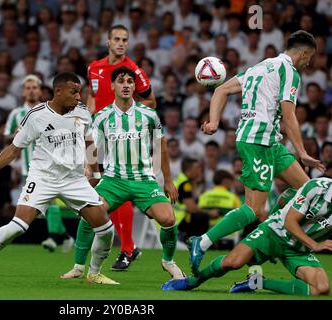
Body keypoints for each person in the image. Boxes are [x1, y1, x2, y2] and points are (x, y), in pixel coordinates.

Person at [189, 30, 326, 276]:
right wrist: (302, 151)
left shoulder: (260, 66)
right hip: (257, 142)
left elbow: (220, 91)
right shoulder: (290, 72)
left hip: (270, 142)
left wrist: (213, 122)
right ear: (304, 53)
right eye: (310, 58)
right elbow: (289, 114)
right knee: (254, 209)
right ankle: (203, 241)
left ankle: (273, 233)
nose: (309, 63)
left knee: (306, 190)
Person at [0, 72, 118, 285]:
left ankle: (94, 273)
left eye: (80, 93)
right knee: (18, 226)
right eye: (74, 93)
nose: (78, 98)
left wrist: (96, 173)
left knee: (106, 229)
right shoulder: (36, 116)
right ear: (58, 91)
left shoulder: (82, 112)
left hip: (74, 179)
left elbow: (89, 141)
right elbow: (12, 150)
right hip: (43, 178)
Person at [61, 66, 185, 279]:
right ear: (112, 86)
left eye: (130, 81)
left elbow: (161, 146)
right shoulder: (102, 117)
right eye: (121, 81)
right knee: (89, 213)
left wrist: (168, 181)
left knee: (168, 219)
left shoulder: (149, 115)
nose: (126, 84)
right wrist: (89, 172)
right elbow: (92, 149)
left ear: (135, 86)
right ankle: (78, 267)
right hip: (113, 180)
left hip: (144, 180)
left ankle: (168, 262)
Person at [162, 177, 332, 296]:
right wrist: (270, 220)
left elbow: (285, 198)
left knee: (321, 288)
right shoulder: (317, 187)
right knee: (232, 262)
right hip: (273, 232)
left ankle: (257, 282)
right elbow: (288, 216)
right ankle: (192, 282)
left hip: (298, 249)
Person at [85, 25, 157, 270]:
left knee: (120, 185)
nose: (121, 43)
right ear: (108, 41)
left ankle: (126, 248)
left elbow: (151, 101)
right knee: (104, 187)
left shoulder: (133, 71)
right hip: (101, 133)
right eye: (116, 39)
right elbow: (93, 97)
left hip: (123, 134)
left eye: (125, 40)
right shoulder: (94, 68)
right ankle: (128, 246)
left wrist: (128, 113)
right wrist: (88, 115)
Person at [3, 74, 74, 252]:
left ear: (40, 90)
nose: (31, 91)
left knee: (47, 203)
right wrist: (17, 134)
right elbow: (7, 139)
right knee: (43, 206)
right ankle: (64, 236)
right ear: (22, 92)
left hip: (51, 165)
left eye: (34, 87)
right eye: (28, 88)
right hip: (28, 167)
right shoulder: (16, 114)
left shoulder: (50, 110)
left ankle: (52, 237)